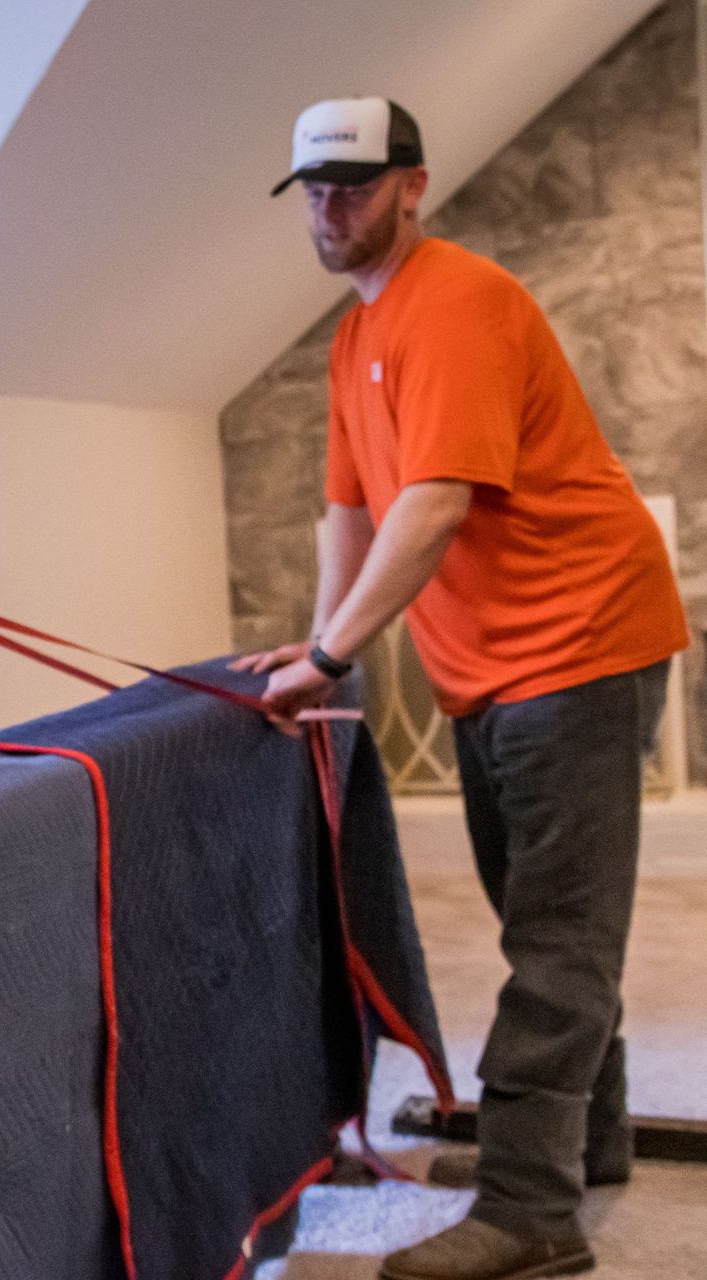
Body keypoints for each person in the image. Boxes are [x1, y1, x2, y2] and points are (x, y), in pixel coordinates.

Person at [240, 97, 688, 1280]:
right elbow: (349, 515)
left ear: (413, 185)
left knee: (557, 936)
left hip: (581, 642)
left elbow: (434, 503)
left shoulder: (459, 302)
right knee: (537, 910)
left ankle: (532, 1208)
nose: (330, 210)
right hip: (486, 669)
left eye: (353, 187)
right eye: (314, 191)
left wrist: (333, 655)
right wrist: (318, 645)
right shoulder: (354, 335)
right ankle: (585, 1142)